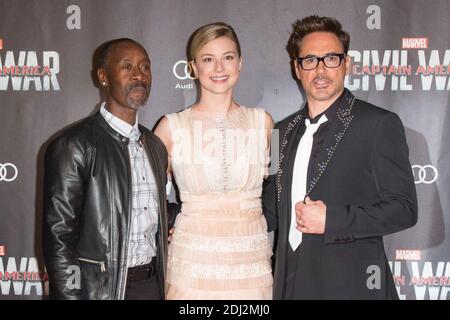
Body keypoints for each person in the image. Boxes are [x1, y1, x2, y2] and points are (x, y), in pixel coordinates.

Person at [262, 15, 418, 299]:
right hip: (287, 283)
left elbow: (404, 209)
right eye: (309, 60)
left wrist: (332, 219)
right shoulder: (277, 132)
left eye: (331, 58)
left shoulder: (379, 124)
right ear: (297, 69)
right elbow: (269, 208)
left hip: (351, 286)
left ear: (347, 64)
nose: (320, 70)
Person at [43, 38, 172, 300]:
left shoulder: (156, 147)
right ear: (103, 76)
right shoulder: (74, 146)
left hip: (152, 287)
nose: (139, 75)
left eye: (145, 67)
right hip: (99, 292)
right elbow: (59, 239)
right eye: (127, 67)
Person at [155, 22, 274, 299]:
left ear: (240, 63)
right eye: (208, 59)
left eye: (228, 57)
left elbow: (279, 185)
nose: (219, 68)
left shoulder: (267, 124)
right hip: (191, 265)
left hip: (251, 267)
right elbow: (145, 195)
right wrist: (168, 222)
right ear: (194, 67)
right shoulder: (170, 127)